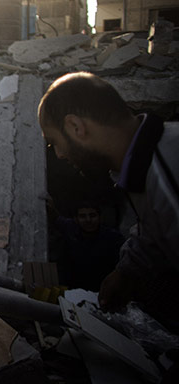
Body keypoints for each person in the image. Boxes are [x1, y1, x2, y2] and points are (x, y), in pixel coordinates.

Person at [37, 72, 179, 322]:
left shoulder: (169, 176)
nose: (58, 154)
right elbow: (153, 228)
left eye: (54, 143)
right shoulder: (141, 167)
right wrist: (127, 271)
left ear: (75, 127)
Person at [52, 201, 125, 292]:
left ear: (100, 217)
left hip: (103, 290)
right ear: (76, 219)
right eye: (83, 216)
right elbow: (56, 218)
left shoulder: (113, 238)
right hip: (75, 292)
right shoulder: (71, 229)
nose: (88, 220)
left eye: (92, 215)